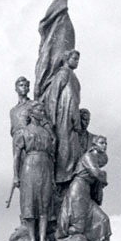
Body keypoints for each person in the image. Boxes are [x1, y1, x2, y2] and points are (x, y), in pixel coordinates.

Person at [57, 135, 118, 241]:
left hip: (86, 191)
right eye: (102, 142)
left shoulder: (97, 158)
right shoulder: (88, 156)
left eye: (106, 143)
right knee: (78, 227)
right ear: (94, 144)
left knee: (103, 220)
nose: (105, 145)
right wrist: (103, 175)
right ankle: (59, 239)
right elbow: (95, 173)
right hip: (78, 190)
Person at [12, 100, 55, 241]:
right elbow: (17, 156)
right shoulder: (23, 132)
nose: (42, 113)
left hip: (45, 167)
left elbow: (52, 154)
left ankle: (42, 240)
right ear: (32, 113)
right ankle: (32, 240)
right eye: (39, 111)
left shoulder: (46, 133)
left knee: (44, 206)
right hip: (29, 166)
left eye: (43, 111)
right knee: (30, 205)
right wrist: (16, 176)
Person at [44, 48, 83, 191]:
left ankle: (68, 179)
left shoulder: (72, 75)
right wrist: (52, 120)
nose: (77, 62)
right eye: (75, 59)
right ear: (67, 59)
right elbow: (53, 97)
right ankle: (61, 182)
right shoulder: (62, 74)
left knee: (71, 149)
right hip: (63, 118)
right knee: (64, 149)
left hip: (71, 118)